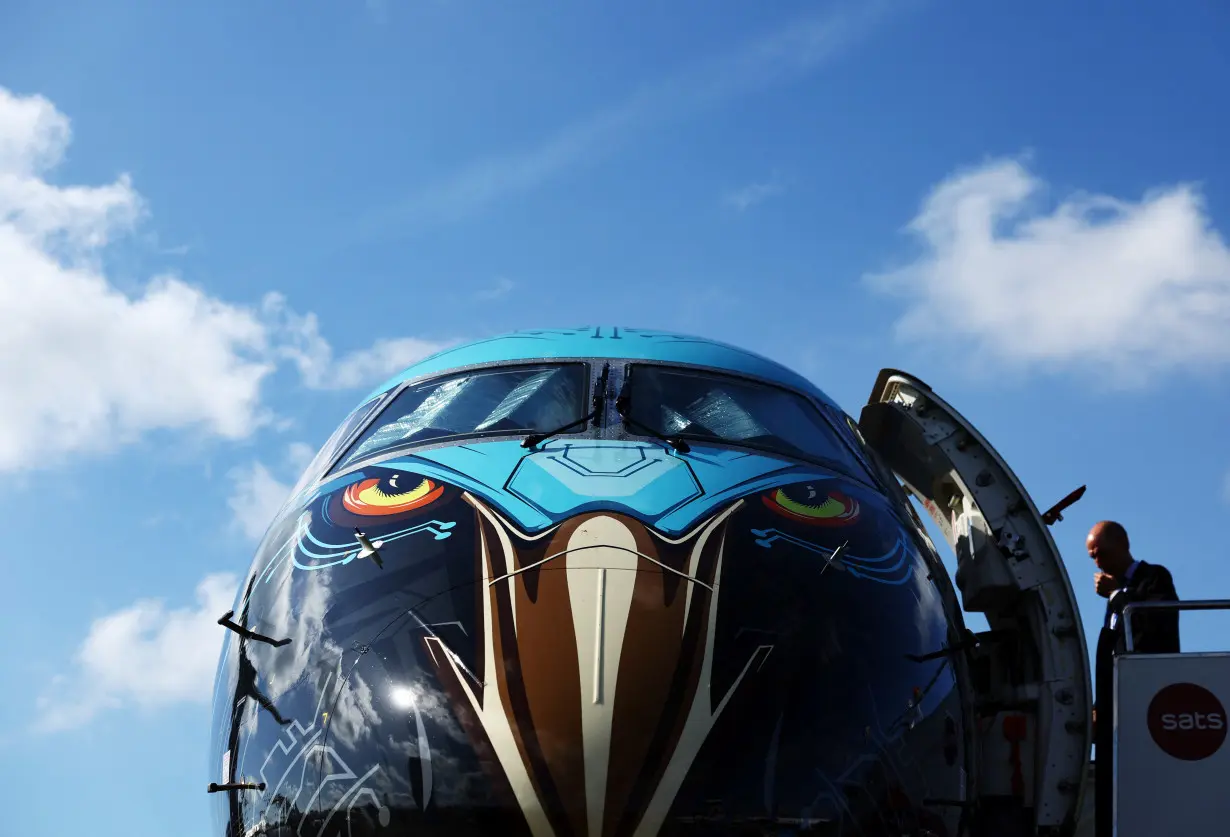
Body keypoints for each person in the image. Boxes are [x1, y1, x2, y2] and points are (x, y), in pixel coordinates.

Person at [1087, 520, 1179, 837]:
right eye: (1091, 555)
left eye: (1099, 551)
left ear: (1123, 543)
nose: (1095, 559)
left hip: (1149, 690)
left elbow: (1154, 619)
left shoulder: (1154, 577)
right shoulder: (1118, 592)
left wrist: (1117, 594)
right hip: (1118, 695)